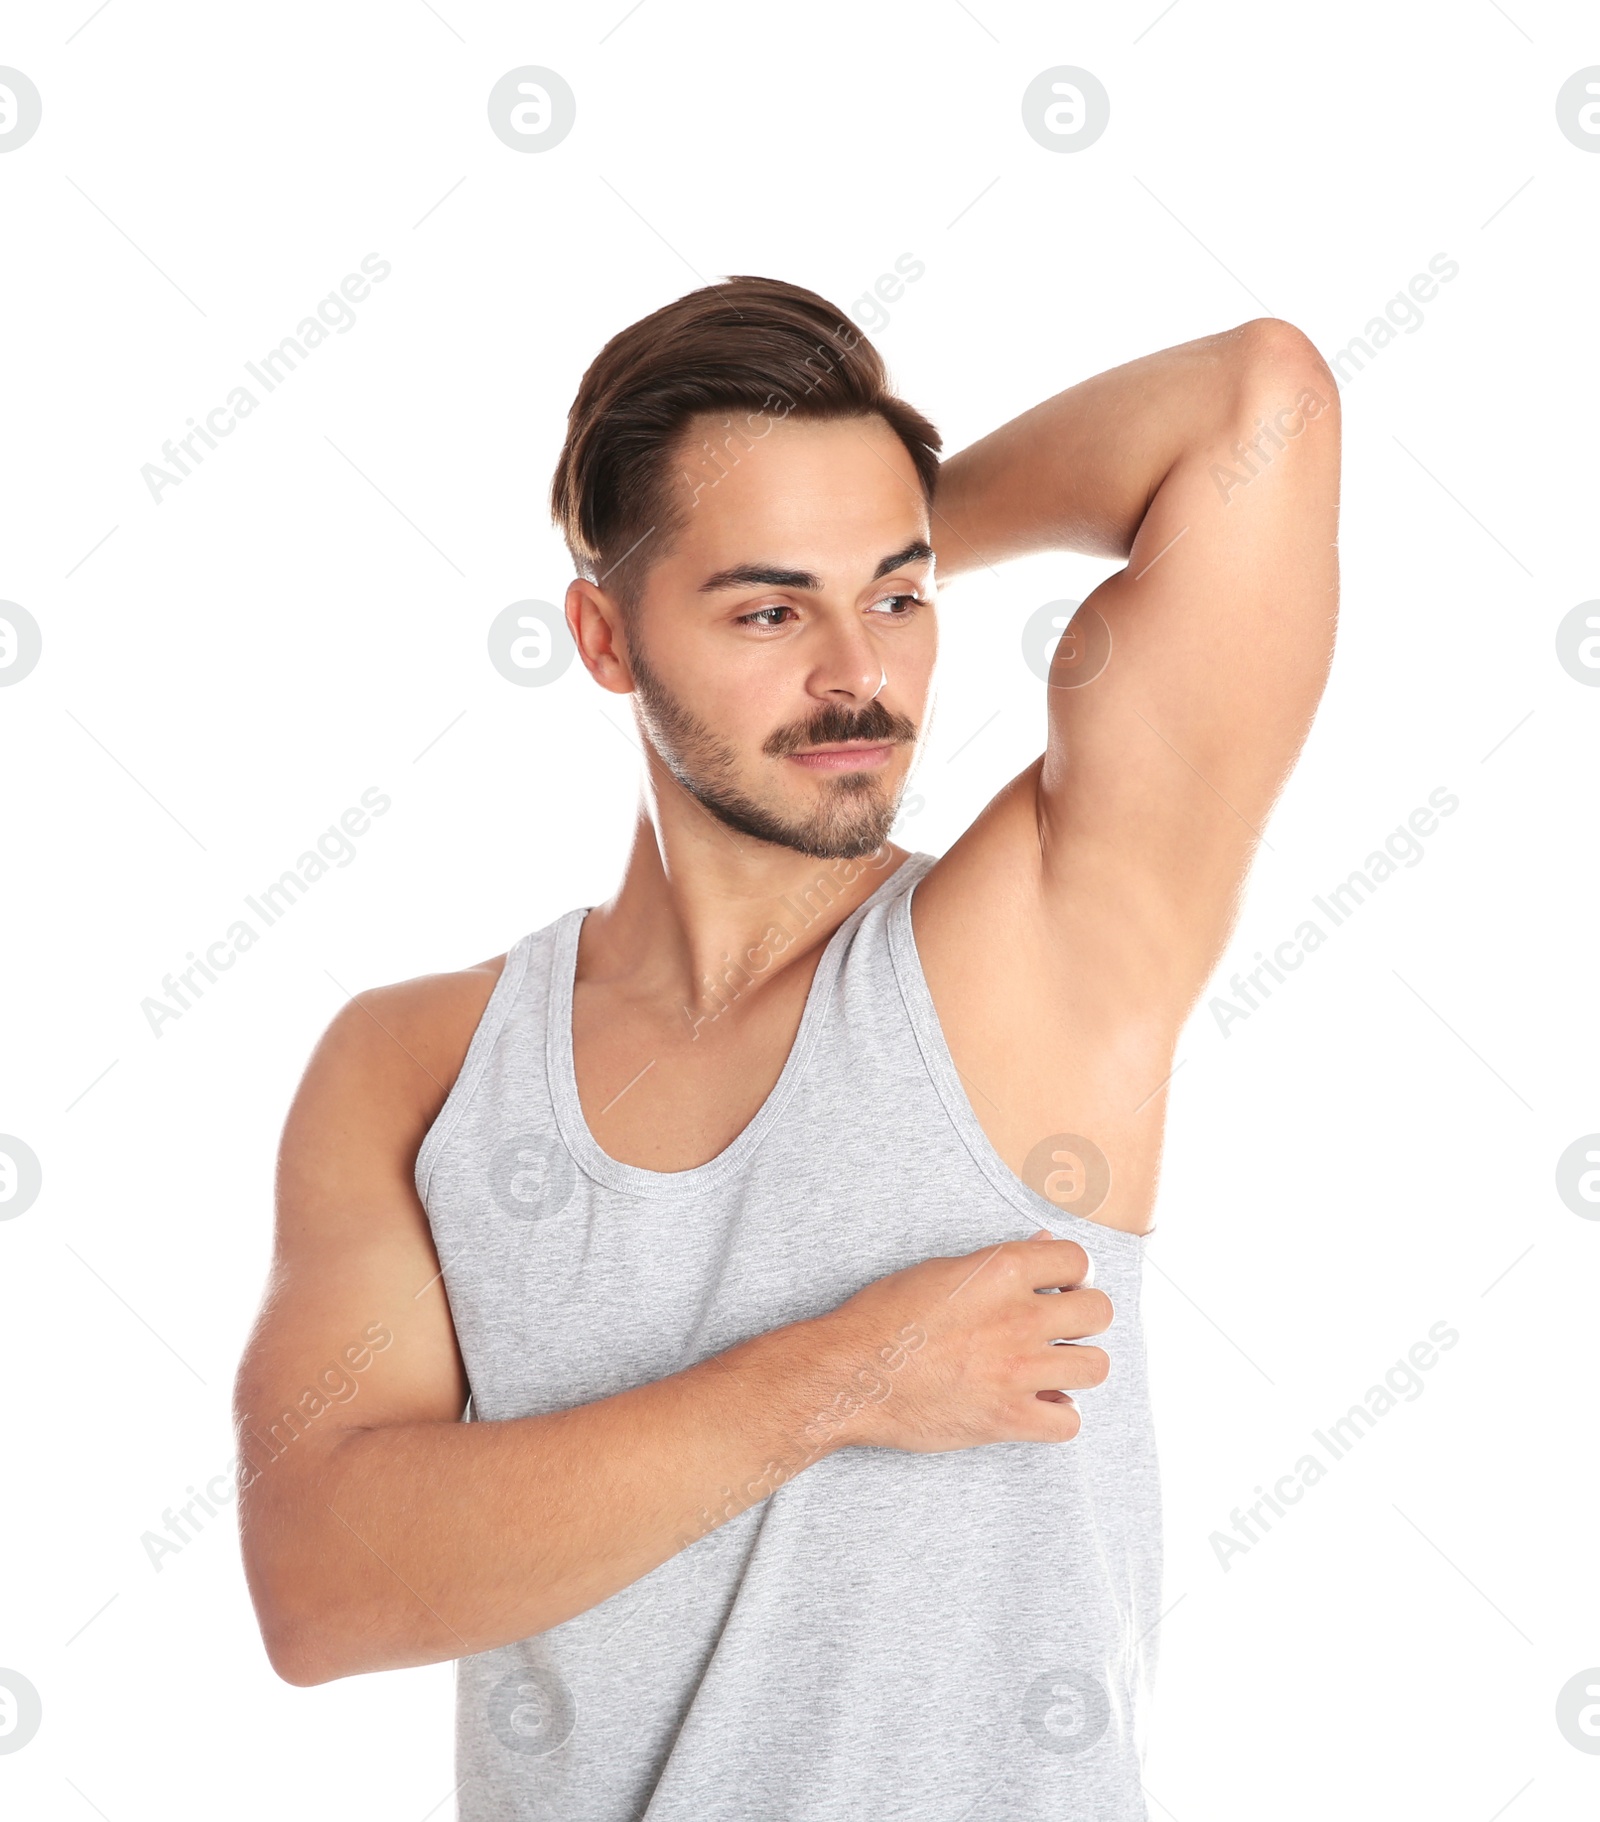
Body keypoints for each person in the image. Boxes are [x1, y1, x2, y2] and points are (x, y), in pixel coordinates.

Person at [234, 274, 1340, 1819]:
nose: (859, 675)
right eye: (769, 605)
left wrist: (886, 504)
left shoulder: (1043, 948)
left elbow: (1259, 405)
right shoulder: (416, 1065)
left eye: (896, 593)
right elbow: (320, 1580)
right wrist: (841, 1377)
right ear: (605, 636)